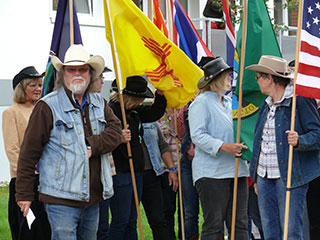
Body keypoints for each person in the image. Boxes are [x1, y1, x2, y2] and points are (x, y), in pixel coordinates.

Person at [15, 44, 123, 240]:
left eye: (82, 69)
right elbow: (29, 152)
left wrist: (93, 145)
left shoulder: (100, 103)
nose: (77, 74)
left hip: (93, 197)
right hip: (60, 199)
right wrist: (23, 193)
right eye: (71, 70)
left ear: (90, 74)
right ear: (63, 74)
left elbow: (116, 132)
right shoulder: (47, 106)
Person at [247, 55, 320, 240]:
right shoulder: (266, 105)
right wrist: (256, 177)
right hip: (265, 177)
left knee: (291, 232)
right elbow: (260, 141)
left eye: (258, 77)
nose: (257, 82)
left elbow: (317, 134)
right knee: (270, 231)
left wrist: (300, 140)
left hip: (290, 176)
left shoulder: (299, 99)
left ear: (269, 78)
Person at [189, 57, 249, 240]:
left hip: (237, 171)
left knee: (240, 223)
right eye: (227, 76)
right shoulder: (200, 103)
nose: (231, 79)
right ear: (217, 79)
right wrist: (223, 147)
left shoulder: (231, 102)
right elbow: (197, 135)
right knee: (214, 225)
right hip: (211, 173)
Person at [108, 76, 167, 240]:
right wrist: (118, 138)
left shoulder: (133, 111)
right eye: (139, 99)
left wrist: (160, 94)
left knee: (132, 220)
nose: (141, 103)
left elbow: (154, 113)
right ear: (130, 98)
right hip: (120, 171)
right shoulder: (111, 112)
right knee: (121, 220)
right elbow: (104, 140)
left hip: (136, 170)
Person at [2, 66, 51, 240]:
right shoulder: (11, 113)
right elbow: (12, 149)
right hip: (25, 180)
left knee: (46, 228)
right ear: (22, 88)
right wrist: (29, 173)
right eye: (33, 85)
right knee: (29, 230)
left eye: (40, 85)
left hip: (46, 179)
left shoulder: (44, 110)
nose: (38, 89)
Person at [177, 56, 214, 240]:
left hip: (207, 161)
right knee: (189, 210)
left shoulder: (218, 101)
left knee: (211, 210)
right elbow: (181, 130)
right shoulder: (190, 99)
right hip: (188, 159)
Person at [142, 121, 178, 240]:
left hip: (153, 173)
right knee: (126, 220)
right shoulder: (118, 116)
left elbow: (163, 145)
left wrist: (171, 169)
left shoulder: (151, 120)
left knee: (159, 218)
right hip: (128, 175)